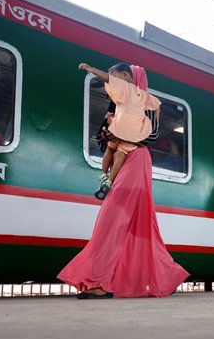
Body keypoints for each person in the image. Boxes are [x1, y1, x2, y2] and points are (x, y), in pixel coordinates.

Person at [58, 67, 189, 299]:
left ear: (129, 79)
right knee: (130, 223)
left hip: (136, 159)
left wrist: (118, 137)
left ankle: (99, 280)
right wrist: (109, 135)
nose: (114, 87)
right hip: (124, 162)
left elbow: (150, 137)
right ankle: (152, 274)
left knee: (111, 219)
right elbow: (102, 140)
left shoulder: (145, 105)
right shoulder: (117, 105)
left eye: (117, 79)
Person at [79, 62, 161, 199]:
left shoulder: (131, 93)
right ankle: (108, 180)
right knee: (120, 154)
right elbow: (157, 109)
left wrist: (91, 69)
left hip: (135, 158)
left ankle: (104, 176)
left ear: (126, 76)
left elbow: (153, 135)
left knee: (111, 150)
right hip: (128, 147)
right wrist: (109, 130)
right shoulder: (135, 98)